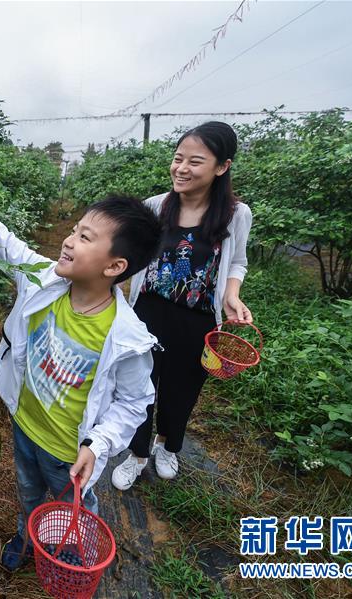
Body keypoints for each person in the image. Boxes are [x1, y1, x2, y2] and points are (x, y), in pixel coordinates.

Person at [0, 149, 163, 571]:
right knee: (28, 492)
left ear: (116, 266)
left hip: (70, 453)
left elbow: (134, 402)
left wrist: (98, 444)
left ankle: (69, 554)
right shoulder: (44, 279)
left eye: (86, 237)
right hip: (26, 426)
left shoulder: (126, 338)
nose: (69, 240)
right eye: (74, 230)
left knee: (73, 509)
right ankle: (27, 536)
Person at [111, 121, 254, 491]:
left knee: (182, 391)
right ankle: (137, 454)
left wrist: (232, 295)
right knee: (138, 386)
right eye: (178, 159)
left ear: (221, 167)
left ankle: (168, 446)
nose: (182, 169)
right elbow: (133, 256)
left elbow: (236, 262)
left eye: (195, 161)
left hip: (198, 321)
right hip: (147, 313)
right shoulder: (156, 206)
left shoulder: (236, 214)